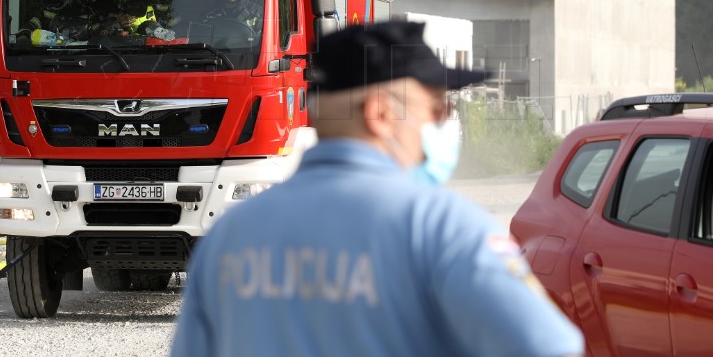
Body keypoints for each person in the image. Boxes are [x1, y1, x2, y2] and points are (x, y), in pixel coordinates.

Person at [171, 20, 585, 357]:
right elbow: (549, 346)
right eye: (438, 108)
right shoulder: (443, 228)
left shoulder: (231, 235)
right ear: (381, 114)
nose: (444, 123)